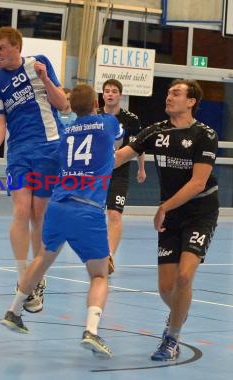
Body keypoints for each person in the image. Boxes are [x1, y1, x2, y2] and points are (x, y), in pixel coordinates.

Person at [0, 84, 124, 359]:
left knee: (42, 257)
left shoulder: (65, 134)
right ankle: (91, 330)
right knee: (100, 275)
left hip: (57, 206)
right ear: (96, 101)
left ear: (70, 107)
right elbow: (120, 142)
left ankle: (14, 310)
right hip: (88, 208)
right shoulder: (108, 123)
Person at [114, 79, 219, 361]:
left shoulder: (205, 135)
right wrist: (83, 168)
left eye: (176, 93)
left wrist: (163, 207)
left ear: (191, 101)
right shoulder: (155, 132)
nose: (169, 97)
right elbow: (120, 157)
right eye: (169, 93)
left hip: (200, 212)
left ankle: (171, 338)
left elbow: (198, 183)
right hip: (172, 215)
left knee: (185, 276)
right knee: (166, 287)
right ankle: (178, 315)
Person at [0, 27, 68, 313]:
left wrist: (44, 77)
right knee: (20, 210)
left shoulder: (38, 63)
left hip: (49, 146)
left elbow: (63, 104)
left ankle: (37, 277)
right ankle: (23, 278)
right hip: (18, 151)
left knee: (38, 214)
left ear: (17, 47)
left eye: (2, 48)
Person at [98, 79, 146, 274]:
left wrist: (141, 168)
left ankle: (108, 256)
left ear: (120, 95)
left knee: (114, 214)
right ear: (102, 95)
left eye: (114, 91)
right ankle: (97, 252)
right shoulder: (95, 117)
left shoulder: (131, 120)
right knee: (94, 214)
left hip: (119, 172)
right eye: (107, 91)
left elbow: (138, 147)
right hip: (97, 173)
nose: (110, 94)